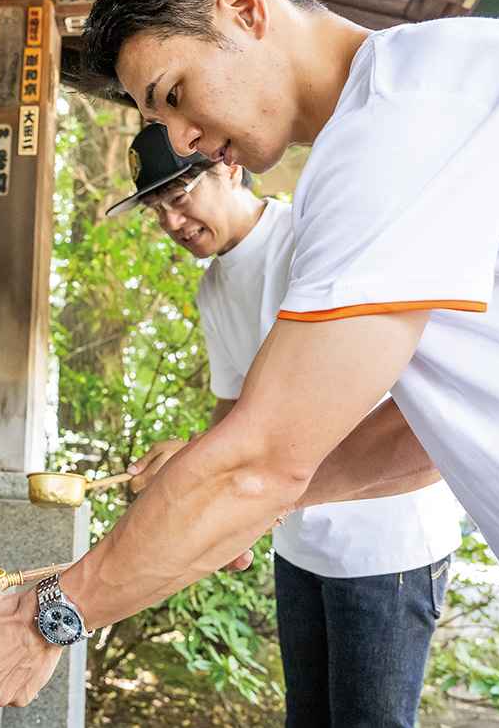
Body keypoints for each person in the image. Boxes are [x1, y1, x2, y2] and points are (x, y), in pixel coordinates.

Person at [0, 0, 499, 722]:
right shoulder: (394, 131)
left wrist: (48, 617)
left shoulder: (409, 115)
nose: (188, 140)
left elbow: (258, 460)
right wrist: (245, 494)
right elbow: (422, 435)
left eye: (175, 95)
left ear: (245, 7)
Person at [113, 122, 462, 726]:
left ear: (225, 165)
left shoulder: (311, 237)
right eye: (156, 210)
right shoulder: (214, 285)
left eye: (178, 197)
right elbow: (233, 410)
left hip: (388, 541)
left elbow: (384, 391)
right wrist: (198, 469)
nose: (171, 223)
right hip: (297, 542)